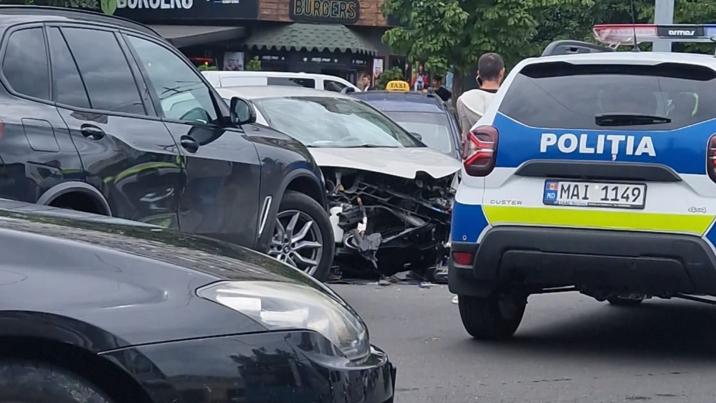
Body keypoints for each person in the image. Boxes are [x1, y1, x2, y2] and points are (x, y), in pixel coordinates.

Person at [456, 53, 505, 143]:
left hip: (474, 149)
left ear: (478, 73)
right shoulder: (508, 100)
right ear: (502, 73)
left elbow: (465, 133)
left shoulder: (464, 99)